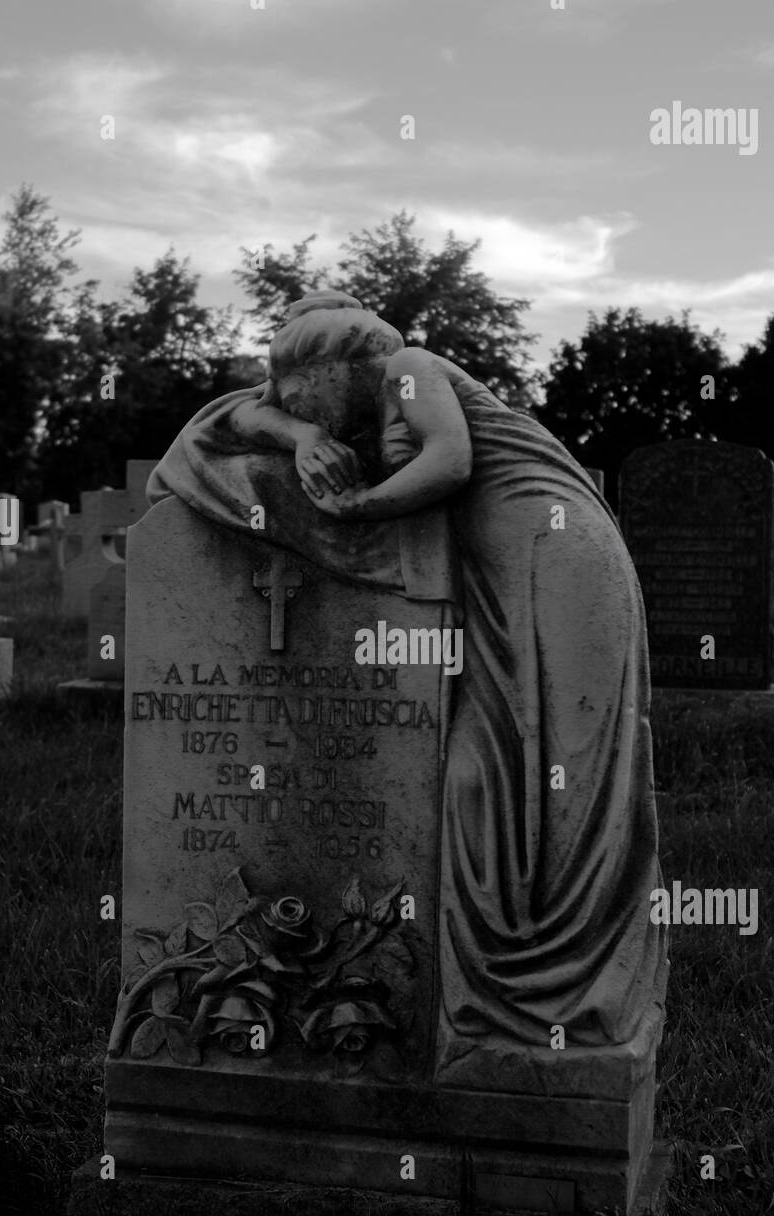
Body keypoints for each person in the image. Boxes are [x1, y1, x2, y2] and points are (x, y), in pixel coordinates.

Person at [149, 290, 667, 1079]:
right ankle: (512, 993)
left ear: (334, 363)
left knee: (573, 770)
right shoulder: (327, 401)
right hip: (499, 588)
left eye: (301, 393)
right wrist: (297, 433)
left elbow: (449, 461)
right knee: (479, 778)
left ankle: (567, 1006)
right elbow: (222, 423)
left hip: (557, 564)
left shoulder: (408, 369)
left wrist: (356, 505)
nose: (294, 408)